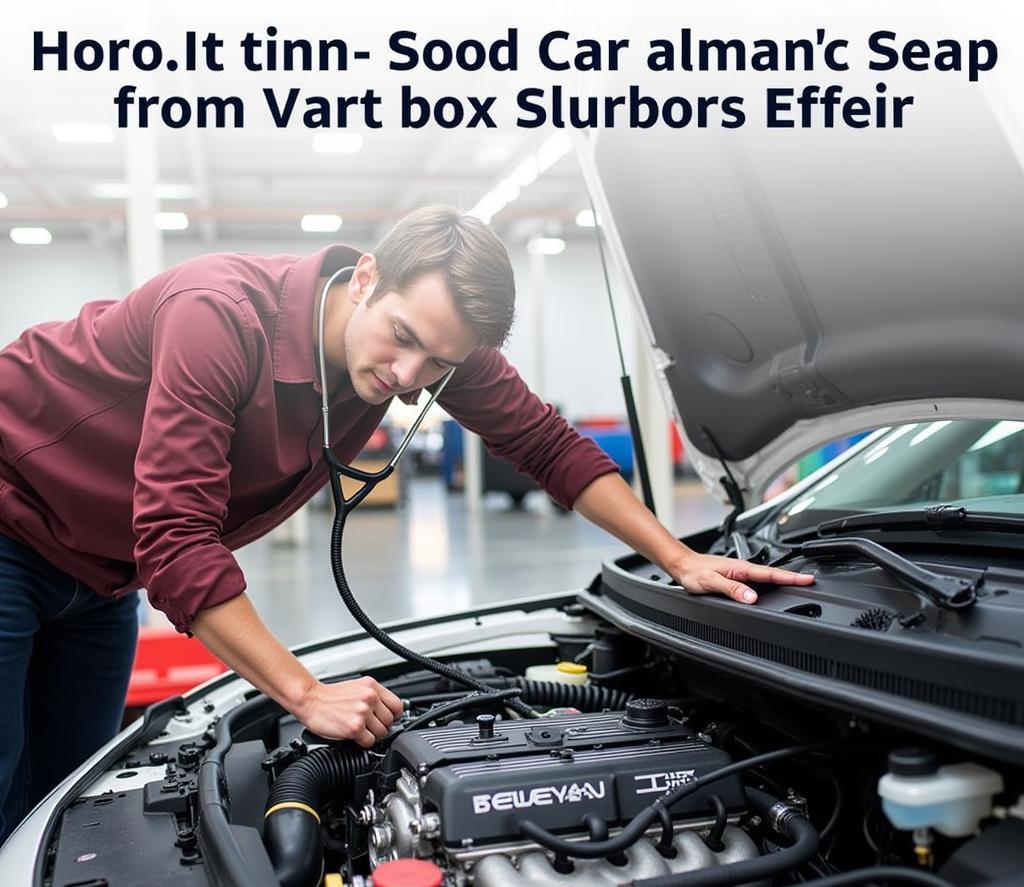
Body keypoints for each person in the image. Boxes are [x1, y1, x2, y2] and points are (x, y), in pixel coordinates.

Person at [0, 205, 813, 843]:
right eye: (403, 341)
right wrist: (305, 693)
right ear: (365, 278)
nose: (407, 378)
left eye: (438, 366)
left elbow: (543, 444)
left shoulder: (431, 346)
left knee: (60, 801)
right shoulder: (217, 316)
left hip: (104, 575)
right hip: (10, 522)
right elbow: (177, 537)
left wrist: (679, 558)